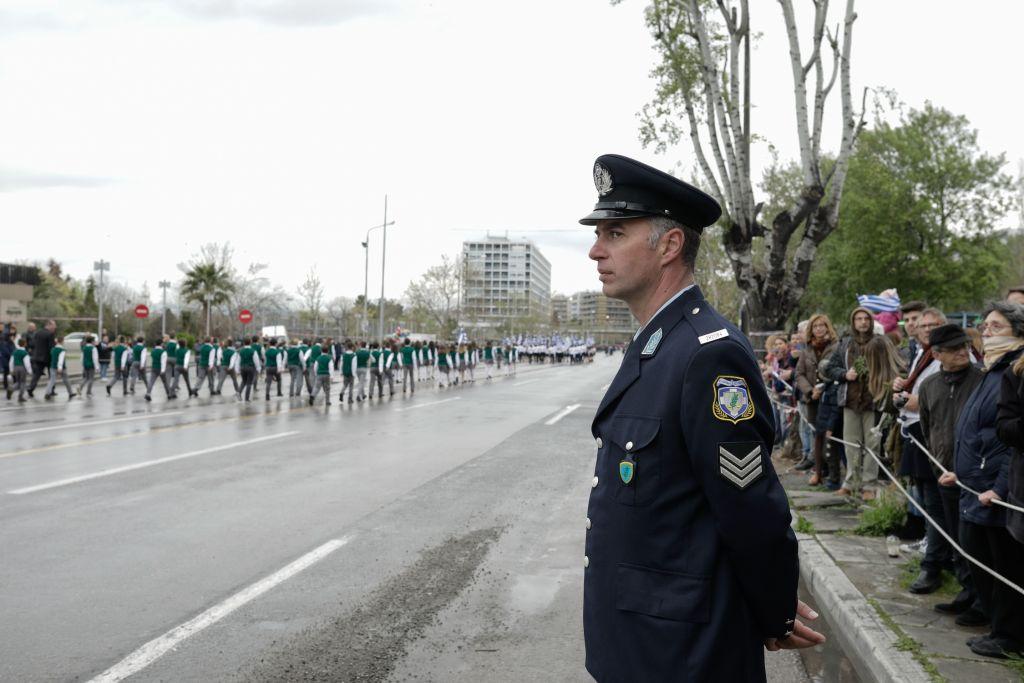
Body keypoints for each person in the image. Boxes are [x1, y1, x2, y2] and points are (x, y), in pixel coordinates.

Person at [580, 153, 821, 681]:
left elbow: (750, 508)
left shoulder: (707, 354)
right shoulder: (657, 344)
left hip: (683, 653)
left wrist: (774, 609)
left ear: (669, 246)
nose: (596, 250)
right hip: (638, 640)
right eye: (599, 234)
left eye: (615, 233)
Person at [941, 301, 1024, 659]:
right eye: (985, 325)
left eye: (996, 326)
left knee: (1005, 567)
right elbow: (979, 429)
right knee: (979, 557)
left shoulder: (1014, 368)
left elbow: (1009, 445)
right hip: (974, 482)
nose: (986, 331)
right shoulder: (993, 368)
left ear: (1017, 332)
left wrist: (1000, 487)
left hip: (997, 489)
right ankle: (997, 626)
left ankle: (1008, 636)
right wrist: (962, 471)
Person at [919, 323, 986, 625]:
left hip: (975, 478)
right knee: (956, 538)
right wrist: (938, 464)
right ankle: (967, 590)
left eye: (964, 346)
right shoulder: (929, 386)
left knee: (976, 543)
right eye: (954, 348)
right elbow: (927, 427)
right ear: (937, 354)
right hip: (944, 474)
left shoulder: (981, 380)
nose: (962, 352)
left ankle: (983, 601)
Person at [893, 307, 946, 593]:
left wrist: (913, 400)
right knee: (924, 496)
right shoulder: (923, 353)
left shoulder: (943, 355)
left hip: (933, 434)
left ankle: (935, 563)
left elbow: (935, 398)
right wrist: (903, 387)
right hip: (915, 428)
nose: (926, 329)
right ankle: (931, 546)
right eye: (922, 325)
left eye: (931, 325)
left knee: (936, 502)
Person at [795, 314, 839, 487]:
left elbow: (838, 369)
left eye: (822, 325)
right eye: (815, 326)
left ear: (828, 327)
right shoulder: (807, 349)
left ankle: (834, 474)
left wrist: (823, 388)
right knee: (817, 435)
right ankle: (819, 472)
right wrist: (809, 390)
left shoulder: (836, 346)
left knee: (832, 436)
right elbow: (799, 374)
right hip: (812, 399)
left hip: (831, 397)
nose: (819, 329)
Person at [27, 320, 55, 397]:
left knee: (37, 375)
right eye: (53, 325)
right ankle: (51, 390)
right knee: (51, 374)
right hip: (48, 358)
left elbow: (32, 344)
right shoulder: (50, 334)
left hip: (37, 357)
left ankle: (31, 388)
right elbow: (51, 347)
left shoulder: (37, 333)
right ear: (49, 325)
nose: (54, 327)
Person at [44, 336, 75, 400]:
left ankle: (47, 393)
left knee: (52, 380)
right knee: (66, 380)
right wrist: (59, 367)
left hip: (52, 366)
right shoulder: (62, 350)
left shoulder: (53, 349)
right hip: (61, 368)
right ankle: (70, 393)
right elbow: (61, 359)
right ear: (62, 341)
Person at [8, 337, 31, 401]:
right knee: (23, 382)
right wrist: (29, 371)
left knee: (18, 382)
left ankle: (11, 389)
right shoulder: (25, 353)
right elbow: (27, 363)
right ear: (25, 344)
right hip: (22, 368)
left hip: (15, 367)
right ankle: (20, 396)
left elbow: (11, 361)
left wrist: (11, 370)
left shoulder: (15, 352)